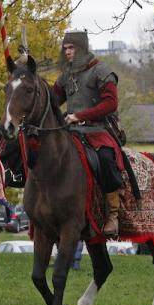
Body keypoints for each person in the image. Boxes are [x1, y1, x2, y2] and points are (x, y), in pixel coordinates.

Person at [53, 30, 124, 238]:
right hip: (71, 132)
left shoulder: (101, 70)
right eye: (65, 48)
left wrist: (79, 115)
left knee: (104, 159)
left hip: (98, 130)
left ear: (82, 48)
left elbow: (111, 103)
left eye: (71, 48)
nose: (67, 52)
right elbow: (52, 101)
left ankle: (113, 214)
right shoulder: (67, 75)